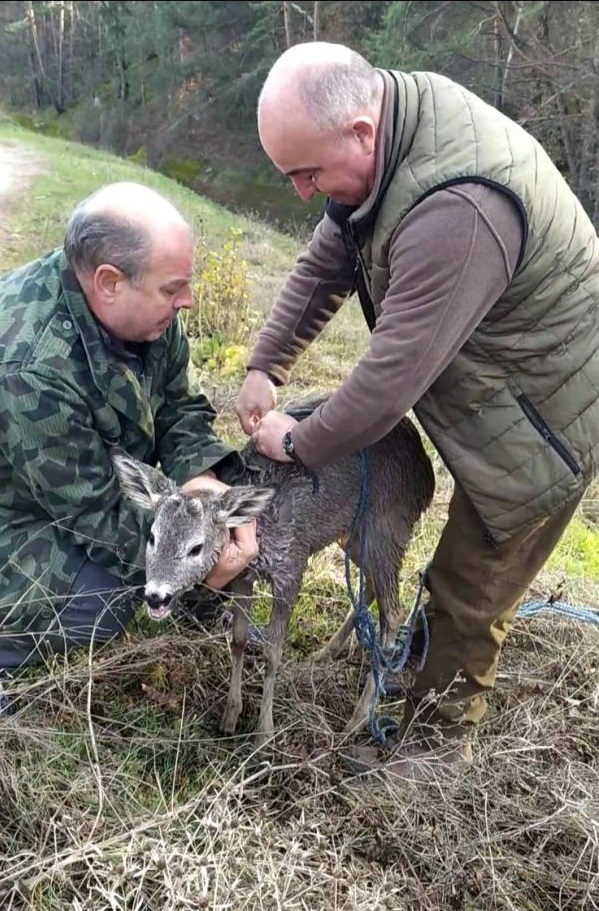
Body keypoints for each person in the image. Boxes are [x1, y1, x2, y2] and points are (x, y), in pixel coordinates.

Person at [236, 41, 599, 777]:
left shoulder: (456, 208)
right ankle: (418, 675)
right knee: (459, 578)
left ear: (360, 132)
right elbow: (327, 257)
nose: (302, 192)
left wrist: (298, 441)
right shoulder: (388, 127)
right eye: (290, 175)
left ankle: (432, 753)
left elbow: (386, 382)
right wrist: (263, 364)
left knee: (469, 583)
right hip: (501, 381)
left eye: (306, 172)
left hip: (553, 413)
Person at [0, 181, 257, 695]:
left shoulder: (151, 317)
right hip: (18, 508)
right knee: (107, 599)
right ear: (109, 282)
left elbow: (180, 407)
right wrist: (199, 559)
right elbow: (94, 516)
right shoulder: (32, 369)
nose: (187, 301)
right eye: (171, 289)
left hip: (73, 485)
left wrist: (203, 484)